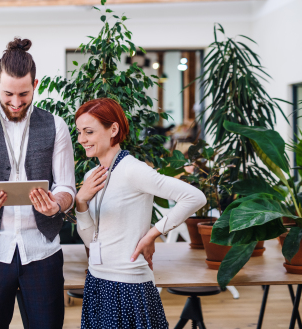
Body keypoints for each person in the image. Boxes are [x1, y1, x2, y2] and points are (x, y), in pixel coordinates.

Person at [0, 37, 76, 329]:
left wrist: (56, 204)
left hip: (43, 251)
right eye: (8, 93)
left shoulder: (56, 125)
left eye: (24, 93)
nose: (16, 102)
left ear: (36, 85)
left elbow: (67, 188)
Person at [74, 98, 206, 329]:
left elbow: (195, 197)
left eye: (88, 132)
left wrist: (152, 234)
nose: (81, 139)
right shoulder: (91, 177)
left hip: (128, 284)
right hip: (96, 279)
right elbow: (89, 239)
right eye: (79, 132)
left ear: (113, 129)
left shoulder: (133, 170)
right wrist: (81, 201)